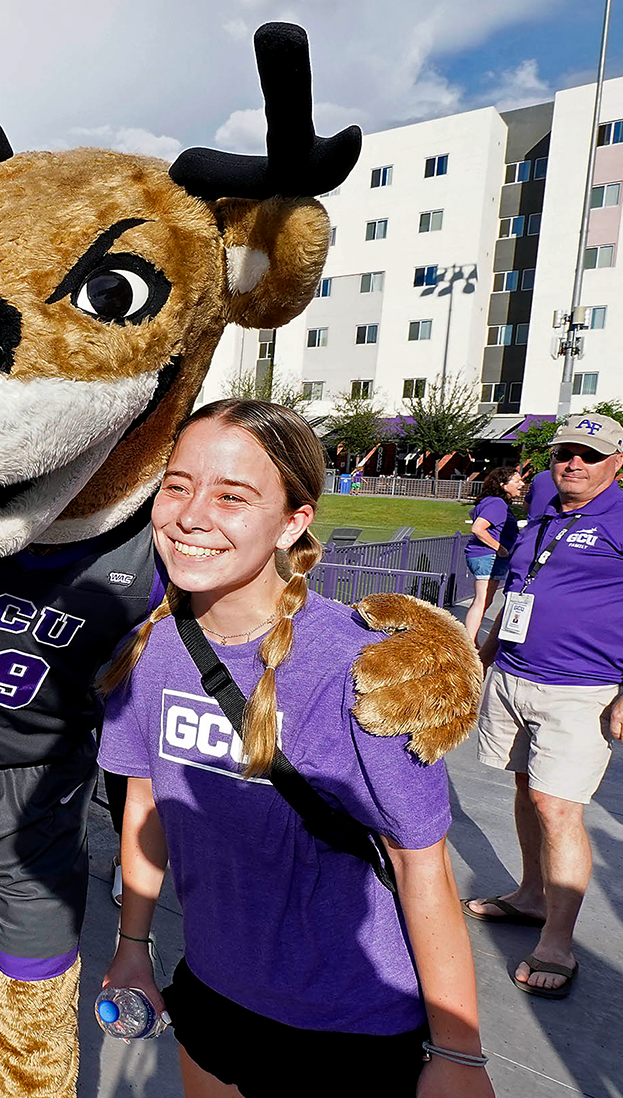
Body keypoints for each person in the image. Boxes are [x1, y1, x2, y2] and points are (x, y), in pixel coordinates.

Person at [98, 399, 491, 1098]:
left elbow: (421, 867)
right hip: (212, 992)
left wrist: (459, 1052)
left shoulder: (368, 671)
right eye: (178, 484)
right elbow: (144, 806)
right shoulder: (151, 652)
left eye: (233, 496)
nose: (191, 515)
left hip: (353, 1023)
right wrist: (133, 947)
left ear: (293, 522)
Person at [462, 413, 623, 1000]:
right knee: (523, 789)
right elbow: (520, 592)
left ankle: (558, 941)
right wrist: (486, 652)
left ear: (617, 462)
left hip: (582, 690)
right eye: (566, 451)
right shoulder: (539, 519)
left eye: (589, 454)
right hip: (514, 677)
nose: (575, 462)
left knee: (557, 806)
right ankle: (531, 895)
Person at [461, 466, 525, 641]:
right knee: (481, 602)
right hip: (487, 556)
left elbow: (473, 513)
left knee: (484, 602)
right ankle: (469, 644)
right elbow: (478, 528)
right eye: (517, 480)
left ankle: (470, 643)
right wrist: (501, 549)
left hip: (487, 556)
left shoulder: (491, 502)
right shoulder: (496, 503)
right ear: (504, 484)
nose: (522, 483)